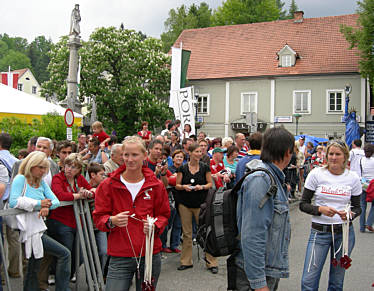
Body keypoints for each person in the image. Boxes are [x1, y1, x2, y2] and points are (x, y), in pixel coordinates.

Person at [93, 136, 170, 291]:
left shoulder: (155, 185)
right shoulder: (108, 184)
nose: (129, 159)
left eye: (134, 155)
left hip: (149, 254)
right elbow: (99, 217)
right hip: (120, 254)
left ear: (144, 156)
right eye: (126, 155)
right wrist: (111, 220)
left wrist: (155, 226)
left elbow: (163, 215)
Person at [234, 126, 294, 291]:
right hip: (257, 274)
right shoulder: (261, 180)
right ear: (288, 152)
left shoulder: (271, 177)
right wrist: (259, 283)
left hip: (267, 268)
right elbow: (252, 235)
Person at [299, 140, 362, 291]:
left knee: (336, 283)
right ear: (326, 156)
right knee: (308, 281)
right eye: (331, 154)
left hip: (344, 234)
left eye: (337, 154)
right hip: (319, 232)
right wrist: (320, 209)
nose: (333, 157)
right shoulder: (316, 174)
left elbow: (357, 208)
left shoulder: (352, 178)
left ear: (345, 157)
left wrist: (349, 215)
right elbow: (303, 204)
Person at [9, 151, 71, 291]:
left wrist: (45, 206)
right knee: (62, 254)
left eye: (45, 168)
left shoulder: (41, 182)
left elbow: (55, 201)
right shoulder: (20, 179)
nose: (43, 171)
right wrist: (39, 204)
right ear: (31, 165)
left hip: (37, 227)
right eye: (41, 167)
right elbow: (13, 201)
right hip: (28, 229)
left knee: (34, 264)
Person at [48, 153, 94, 280]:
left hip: (77, 221)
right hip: (61, 222)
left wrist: (88, 193)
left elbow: (92, 191)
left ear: (79, 170)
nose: (69, 169)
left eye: (74, 167)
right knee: (66, 252)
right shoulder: (57, 178)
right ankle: (61, 280)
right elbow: (59, 195)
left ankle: (67, 275)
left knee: (80, 254)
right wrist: (79, 195)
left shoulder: (79, 179)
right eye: (68, 165)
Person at [175, 143, 218, 273]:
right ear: (190, 153)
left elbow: (210, 183)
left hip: (201, 204)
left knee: (205, 232)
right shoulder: (182, 168)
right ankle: (186, 261)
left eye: (201, 152)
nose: (200, 154)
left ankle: (211, 262)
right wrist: (184, 187)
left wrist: (202, 187)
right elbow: (177, 185)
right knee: (187, 234)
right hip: (185, 204)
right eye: (197, 152)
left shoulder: (205, 167)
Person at [358, 143, 374, 232]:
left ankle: (361, 227)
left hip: (363, 183)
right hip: (372, 183)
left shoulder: (361, 160)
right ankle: (369, 223)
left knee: (362, 205)